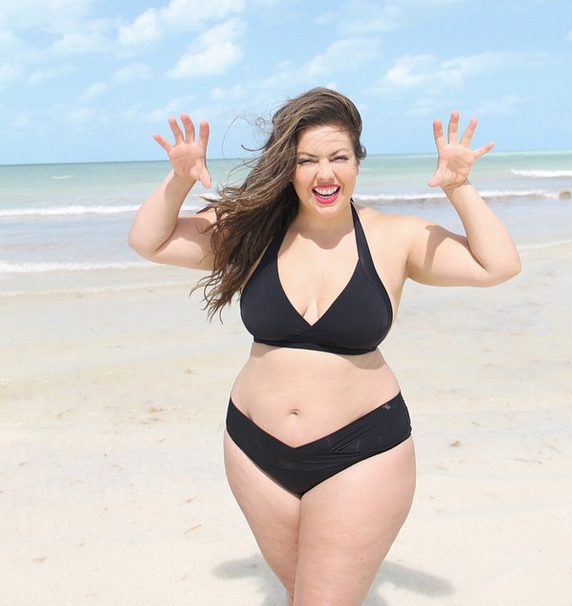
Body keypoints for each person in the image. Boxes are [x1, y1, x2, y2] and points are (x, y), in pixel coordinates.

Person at [127, 87, 521, 606]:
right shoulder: (251, 233)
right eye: (306, 160)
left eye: (338, 157)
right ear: (287, 168)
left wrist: (459, 188)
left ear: (357, 161)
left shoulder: (394, 237)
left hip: (361, 453)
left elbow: (498, 265)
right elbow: (149, 240)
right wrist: (179, 179)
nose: (324, 173)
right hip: (254, 450)